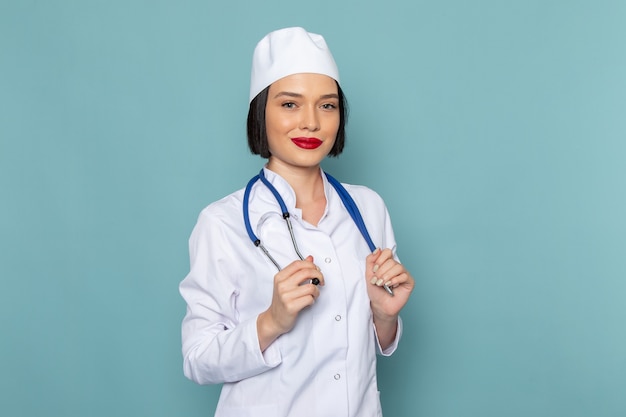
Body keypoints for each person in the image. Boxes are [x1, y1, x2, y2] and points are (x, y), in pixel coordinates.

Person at [179, 27, 415, 417]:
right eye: (290, 104)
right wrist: (271, 321)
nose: (311, 123)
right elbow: (197, 359)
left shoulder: (368, 209)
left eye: (327, 105)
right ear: (261, 112)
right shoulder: (223, 223)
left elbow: (365, 344)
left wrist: (385, 316)